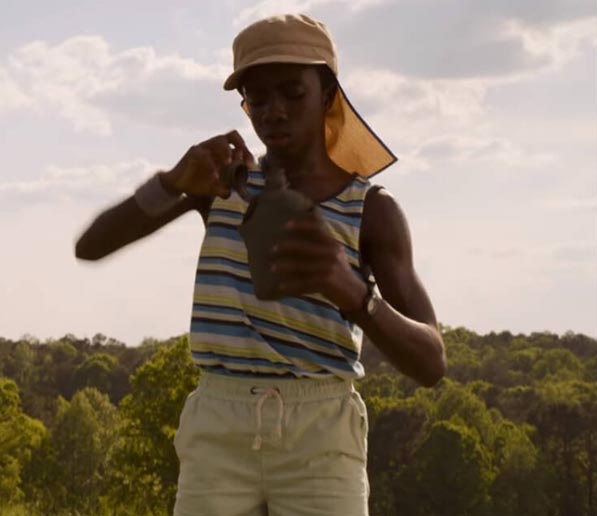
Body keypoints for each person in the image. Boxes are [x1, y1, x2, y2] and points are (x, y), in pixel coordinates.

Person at [75, 13, 446, 516]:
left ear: (329, 94)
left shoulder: (371, 210)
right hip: (218, 425)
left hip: (321, 430)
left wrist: (355, 294)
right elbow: (91, 247)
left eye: (292, 92)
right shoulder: (222, 185)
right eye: (257, 97)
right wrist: (172, 182)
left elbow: (430, 362)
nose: (273, 111)